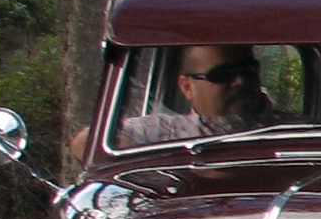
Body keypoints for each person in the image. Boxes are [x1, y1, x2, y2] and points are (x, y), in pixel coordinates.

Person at [113, 44, 280, 147]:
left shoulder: (294, 130)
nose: (240, 81)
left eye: (249, 70)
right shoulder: (162, 133)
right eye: (223, 74)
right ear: (187, 87)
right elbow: (91, 142)